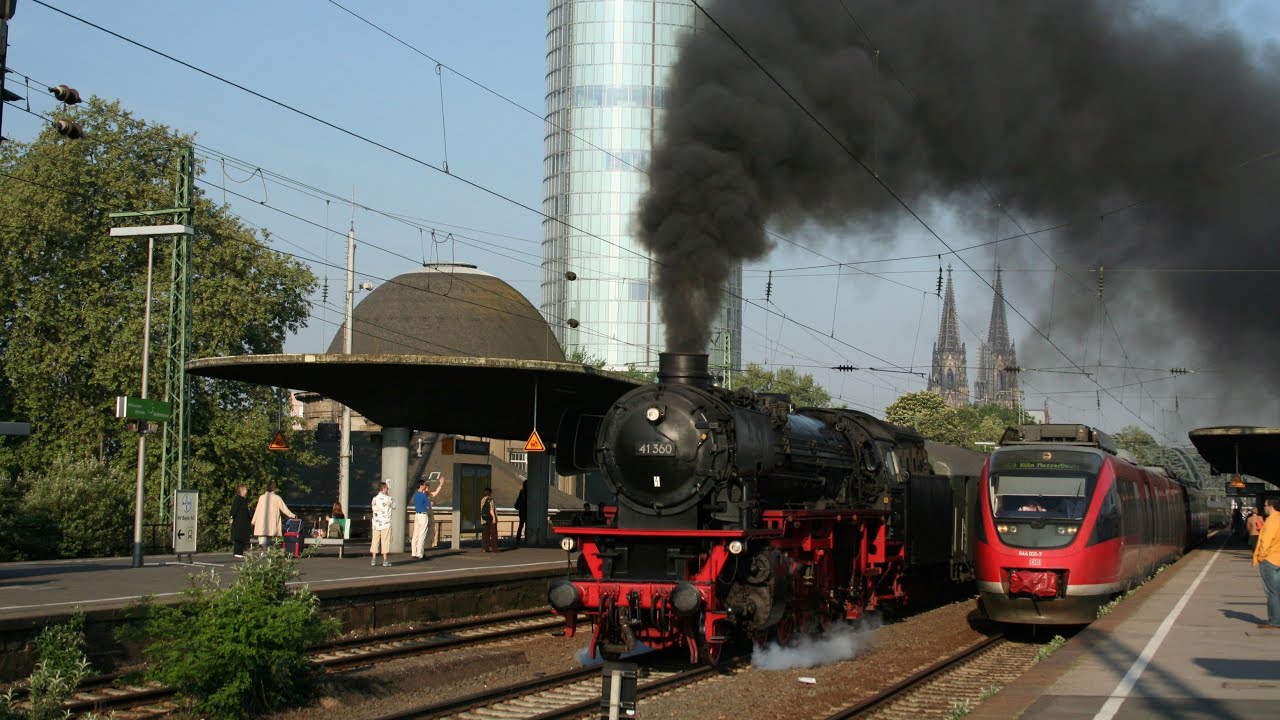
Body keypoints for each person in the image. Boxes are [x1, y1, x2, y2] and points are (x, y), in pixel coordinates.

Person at [1251, 497, 1280, 629]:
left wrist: (1261, 557)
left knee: (1271, 592)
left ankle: (1274, 621)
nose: (1264, 507)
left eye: (1265, 505)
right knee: (1277, 591)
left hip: (1269, 560)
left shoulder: (1271, 522)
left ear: (1271, 507)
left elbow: (1265, 542)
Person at [250, 483, 296, 547]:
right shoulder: (277, 498)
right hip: (271, 524)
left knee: (262, 541)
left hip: (261, 523)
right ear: (274, 489)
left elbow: (257, 510)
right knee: (268, 540)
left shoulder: (262, 497)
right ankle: (266, 553)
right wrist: (293, 516)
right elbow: (284, 509)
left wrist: (253, 521)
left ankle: (263, 553)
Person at [411, 477, 443, 559]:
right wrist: (431, 503)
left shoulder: (417, 495)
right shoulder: (423, 495)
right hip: (423, 515)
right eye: (424, 485)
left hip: (417, 515)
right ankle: (420, 554)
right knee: (422, 535)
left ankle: (414, 552)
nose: (425, 486)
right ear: (421, 486)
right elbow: (428, 505)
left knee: (415, 534)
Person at [370, 481, 396, 567]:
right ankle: (385, 560)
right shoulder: (389, 499)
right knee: (385, 541)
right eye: (387, 488)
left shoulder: (374, 499)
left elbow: (373, 508)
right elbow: (394, 506)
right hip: (386, 523)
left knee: (375, 541)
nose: (387, 489)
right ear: (384, 489)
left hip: (376, 523)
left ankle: (373, 559)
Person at [228, 484, 251, 558]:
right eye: (245, 489)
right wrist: (231, 517)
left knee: (241, 537)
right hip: (239, 522)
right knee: (238, 538)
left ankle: (240, 552)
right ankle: (237, 552)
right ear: (241, 490)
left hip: (243, 522)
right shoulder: (238, 499)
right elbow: (234, 508)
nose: (246, 491)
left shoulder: (244, 499)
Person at [480, 487, 498, 553]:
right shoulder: (490, 499)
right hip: (490, 519)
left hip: (484, 519)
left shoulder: (482, 500)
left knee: (485, 535)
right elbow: (491, 509)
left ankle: (485, 548)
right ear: (490, 492)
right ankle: (494, 549)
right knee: (493, 534)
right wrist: (494, 518)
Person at [514, 479, 528, 544]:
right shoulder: (530, 492)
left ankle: (518, 538)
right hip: (528, 511)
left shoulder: (522, 491)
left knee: (521, 525)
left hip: (522, 510)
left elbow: (519, 500)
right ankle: (527, 537)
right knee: (527, 525)